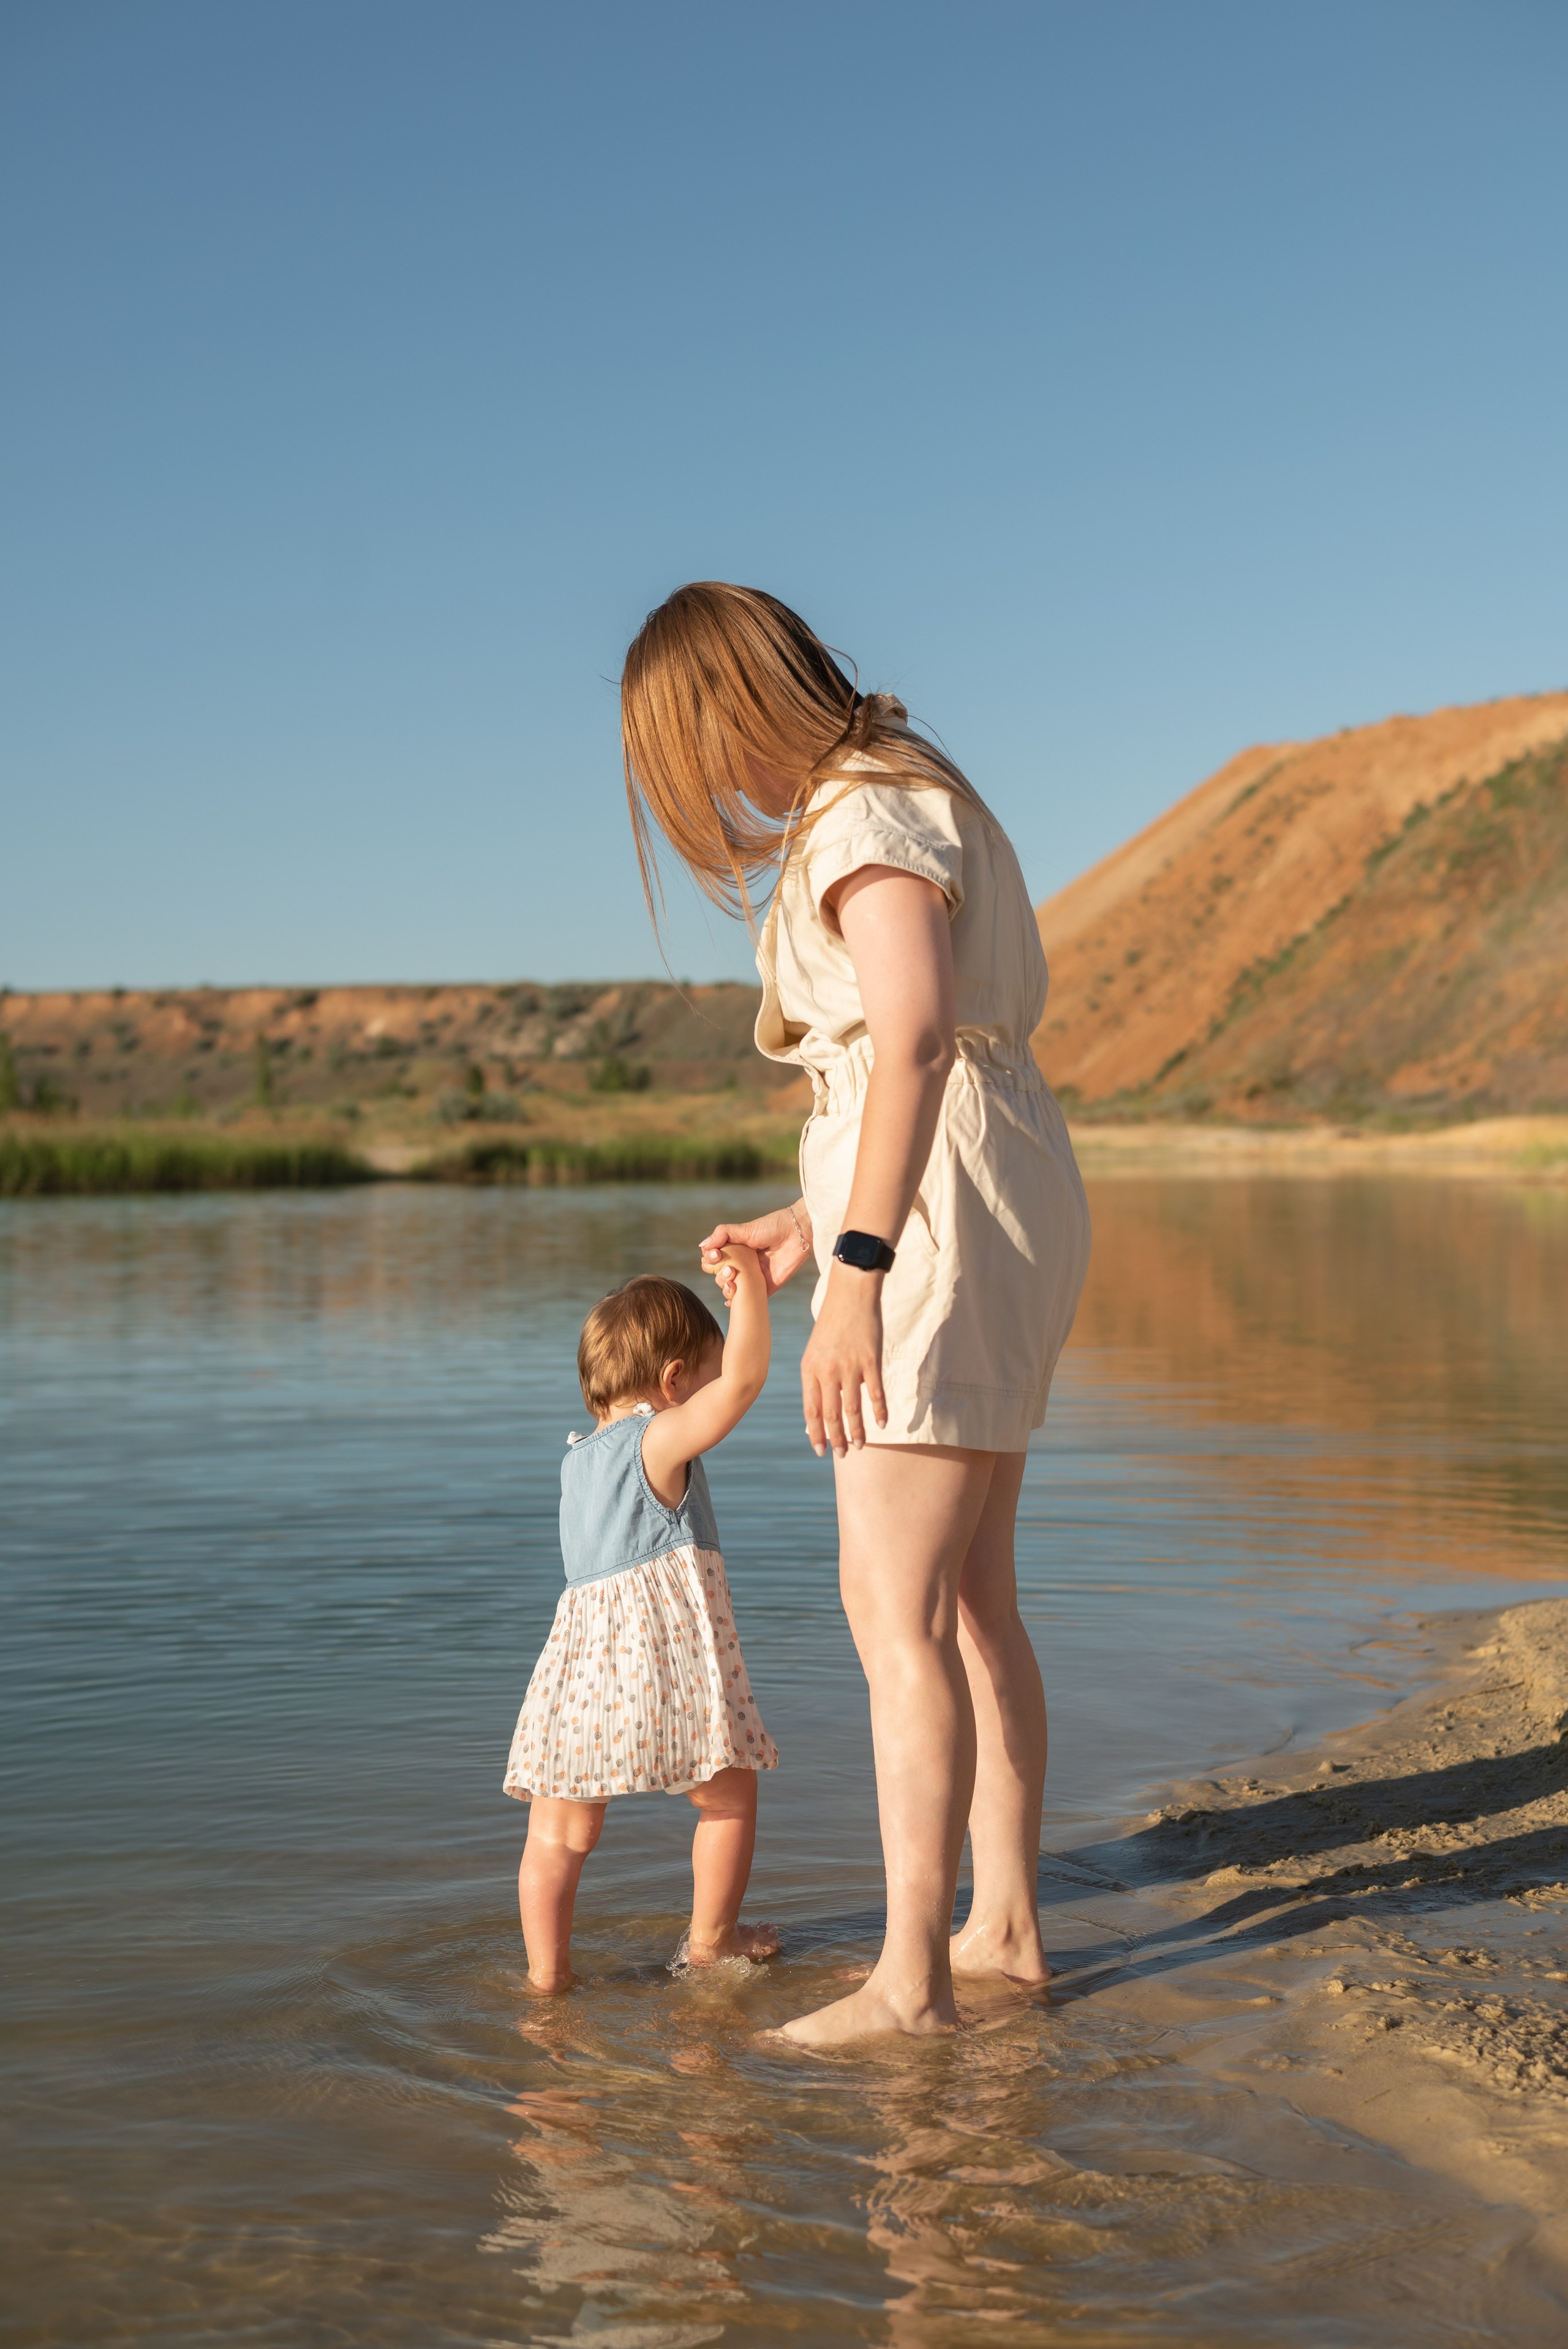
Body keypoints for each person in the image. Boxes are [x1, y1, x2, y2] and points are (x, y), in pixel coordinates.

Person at [621, 582, 1091, 2045]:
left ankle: (910, 1978)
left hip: (933, 1229)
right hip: (991, 1196)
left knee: (892, 1608)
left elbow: (905, 1034)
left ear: (722, 711)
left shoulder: (854, 813)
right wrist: (800, 1222)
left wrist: (858, 1278)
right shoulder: (912, 784)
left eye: (682, 758)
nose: (700, 798)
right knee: (970, 1602)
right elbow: (919, 1064)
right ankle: (999, 1923)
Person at [503, 1259, 780, 1991]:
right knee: (727, 1797)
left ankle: (545, 1979)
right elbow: (747, 1380)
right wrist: (750, 1285)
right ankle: (711, 1944)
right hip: (662, 1668)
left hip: (579, 1678)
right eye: (704, 1381)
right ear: (674, 1380)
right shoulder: (655, 1440)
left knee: (558, 1836)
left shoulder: (575, 1464)